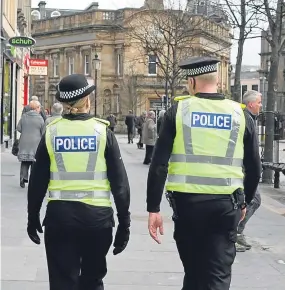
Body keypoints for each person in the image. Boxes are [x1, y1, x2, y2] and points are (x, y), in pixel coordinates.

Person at [146, 56, 261, 290]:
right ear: (217, 80)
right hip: (226, 205)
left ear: (192, 82)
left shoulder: (178, 111)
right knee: (218, 274)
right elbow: (254, 167)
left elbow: (159, 164)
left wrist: (153, 208)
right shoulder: (241, 115)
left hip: (188, 205)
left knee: (194, 271)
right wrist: (245, 203)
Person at [27, 74, 131, 290]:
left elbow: (37, 179)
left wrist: (32, 215)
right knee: (93, 281)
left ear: (63, 103)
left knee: (62, 282)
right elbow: (119, 183)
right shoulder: (103, 132)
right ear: (87, 101)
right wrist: (124, 223)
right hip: (97, 220)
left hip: (60, 218)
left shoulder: (52, 132)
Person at [236, 90, 262, 252]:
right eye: (259, 102)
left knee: (252, 200)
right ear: (251, 104)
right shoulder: (246, 119)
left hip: (242, 168)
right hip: (242, 170)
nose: (261, 105)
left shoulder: (246, 117)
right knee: (252, 199)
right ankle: (235, 232)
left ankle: (236, 232)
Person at [17, 100, 45, 188]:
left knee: (25, 162)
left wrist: (25, 131)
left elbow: (18, 128)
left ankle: (23, 178)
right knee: (34, 162)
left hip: (24, 142)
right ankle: (33, 180)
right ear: (36, 108)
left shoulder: (24, 116)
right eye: (39, 107)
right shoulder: (40, 118)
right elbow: (43, 131)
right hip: (36, 143)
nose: (40, 109)